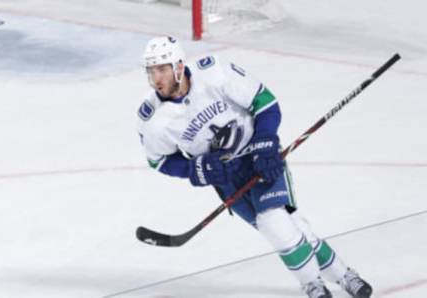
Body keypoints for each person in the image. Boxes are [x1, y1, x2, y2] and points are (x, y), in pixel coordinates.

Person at [136, 36, 373, 298]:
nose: (156, 78)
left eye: (162, 69)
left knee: (274, 223)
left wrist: (265, 141)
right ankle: (345, 275)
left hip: (259, 159)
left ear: (178, 67)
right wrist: (196, 169)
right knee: (292, 228)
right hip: (226, 180)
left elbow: (265, 101)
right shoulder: (154, 118)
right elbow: (160, 160)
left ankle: (312, 286)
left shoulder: (213, 74)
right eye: (151, 71)